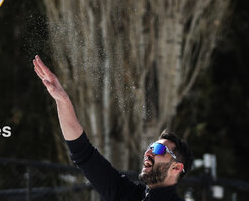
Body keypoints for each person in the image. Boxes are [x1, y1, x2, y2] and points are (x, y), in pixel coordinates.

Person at [33, 55, 194, 201]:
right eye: (151, 146)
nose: (149, 151)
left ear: (176, 167)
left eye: (159, 149)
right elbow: (82, 152)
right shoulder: (125, 194)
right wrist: (62, 100)